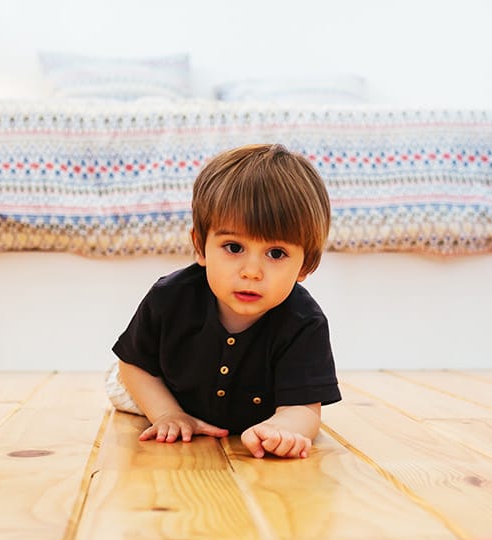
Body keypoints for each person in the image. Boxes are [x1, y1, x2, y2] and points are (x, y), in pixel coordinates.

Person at [108, 143, 341, 459]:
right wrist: (166, 415)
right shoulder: (171, 297)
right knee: (123, 389)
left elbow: (303, 408)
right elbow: (133, 364)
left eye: (276, 254)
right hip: (166, 384)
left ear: (306, 266)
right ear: (201, 247)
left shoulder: (304, 323)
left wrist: (284, 429)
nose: (251, 272)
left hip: (255, 408)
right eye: (233, 248)